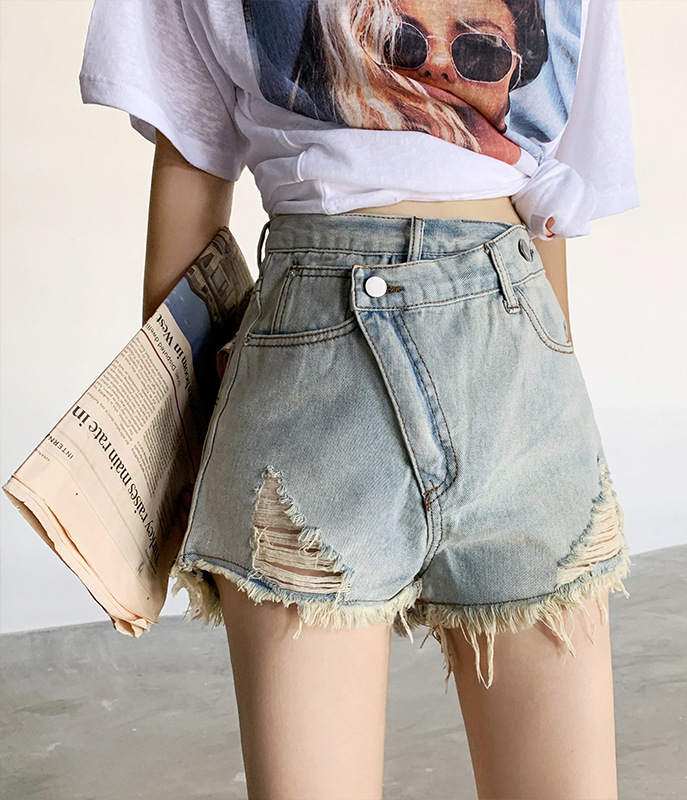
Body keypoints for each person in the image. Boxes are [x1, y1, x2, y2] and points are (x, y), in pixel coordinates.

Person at [79, 0, 639, 797]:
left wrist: (558, 392)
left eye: (479, 55)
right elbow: (192, 149)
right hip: (361, 367)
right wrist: (165, 439)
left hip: (475, 363)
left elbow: (542, 196)